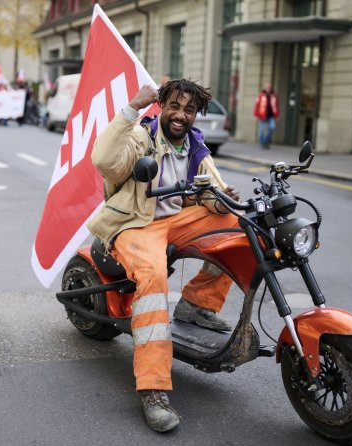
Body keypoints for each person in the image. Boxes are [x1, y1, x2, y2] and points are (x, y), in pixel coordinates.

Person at [88, 79, 241, 432]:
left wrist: (222, 200)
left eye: (189, 110)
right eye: (174, 106)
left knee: (238, 226)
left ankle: (198, 303)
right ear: (162, 107)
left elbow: (207, 193)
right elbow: (105, 161)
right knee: (154, 279)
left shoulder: (196, 146)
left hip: (176, 221)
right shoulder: (142, 136)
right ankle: (153, 388)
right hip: (136, 225)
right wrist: (132, 107)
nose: (180, 115)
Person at [253, 83, 279, 149]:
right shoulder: (260, 95)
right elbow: (256, 105)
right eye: (267, 87)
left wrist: (277, 115)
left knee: (272, 127)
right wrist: (255, 115)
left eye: (269, 87)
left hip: (271, 116)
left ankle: (266, 141)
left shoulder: (274, 95)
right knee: (261, 130)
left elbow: (276, 106)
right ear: (265, 88)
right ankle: (262, 143)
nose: (268, 89)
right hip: (262, 115)